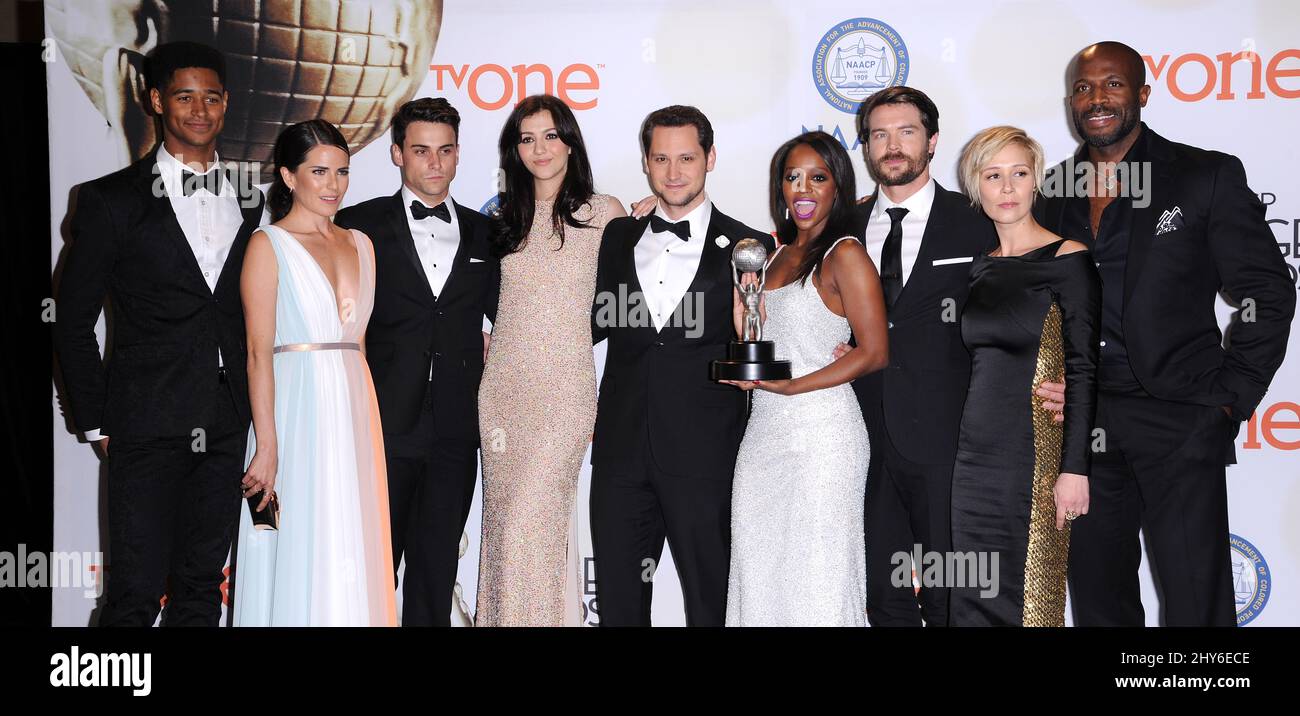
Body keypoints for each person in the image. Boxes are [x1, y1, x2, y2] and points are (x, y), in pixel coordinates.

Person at [1037, 41, 1295, 626]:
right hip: (1085, 429)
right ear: (1070, 102)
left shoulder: (1204, 175)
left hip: (1180, 417)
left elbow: (1267, 293)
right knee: (1099, 600)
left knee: (1195, 600)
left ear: (1143, 95)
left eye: (1112, 85)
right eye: (1083, 88)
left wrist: (1231, 397)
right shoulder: (1051, 191)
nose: (1096, 98)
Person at [53, 41, 265, 627]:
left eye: (212, 97)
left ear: (226, 104)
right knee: (134, 594)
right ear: (155, 100)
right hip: (142, 423)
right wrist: (96, 422)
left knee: (202, 588)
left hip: (224, 424)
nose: (199, 110)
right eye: (184, 96)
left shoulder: (252, 199)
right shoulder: (109, 199)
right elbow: (71, 321)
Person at [844, 87, 1057, 627]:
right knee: (879, 593)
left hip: (950, 441)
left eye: (907, 132)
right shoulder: (839, 226)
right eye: (879, 135)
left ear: (932, 139)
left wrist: (1064, 374)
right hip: (856, 438)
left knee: (949, 594)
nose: (893, 146)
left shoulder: (978, 218)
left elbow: (1045, 297)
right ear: (865, 147)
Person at [589, 105, 773, 627]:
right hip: (622, 455)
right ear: (646, 163)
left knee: (710, 603)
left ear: (710, 159)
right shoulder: (618, 236)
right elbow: (590, 322)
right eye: (661, 158)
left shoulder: (750, 246)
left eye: (687, 157)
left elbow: (759, 348)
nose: (673, 172)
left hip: (706, 456)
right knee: (620, 608)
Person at [335, 98, 499, 627]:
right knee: (372, 571)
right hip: (380, 427)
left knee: (434, 577)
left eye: (446, 151)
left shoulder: (488, 234)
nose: (435, 163)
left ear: (458, 155)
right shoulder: (356, 226)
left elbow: (514, 322)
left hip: (456, 430)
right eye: (422, 150)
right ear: (397, 154)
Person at [233, 119, 396, 626]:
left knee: (353, 529)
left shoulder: (362, 244)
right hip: (295, 407)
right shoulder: (268, 244)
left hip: (354, 403)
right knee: (304, 531)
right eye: (319, 171)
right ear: (287, 176)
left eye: (342, 172)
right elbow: (258, 352)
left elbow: (361, 346)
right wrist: (268, 443)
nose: (333, 185)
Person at [721, 131, 888, 626]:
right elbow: (771, 348)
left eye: (818, 177)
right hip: (765, 433)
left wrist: (796, 384)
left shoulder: (846, 253)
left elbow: (876, 351)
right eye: (792, 177)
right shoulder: (770, 256)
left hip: (824, 437)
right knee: (759, 570)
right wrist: (745, 339)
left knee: (819, 576)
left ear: (838, 186)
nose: (803, 189)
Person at [476, 94, 625, 627]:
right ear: (514, 149)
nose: (540, 148)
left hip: (564, 388)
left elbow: (624, 302)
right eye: (527, 138)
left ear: (570, 141)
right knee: (502, 527)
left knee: (530, 525)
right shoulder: (501, 218)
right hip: (501, 391)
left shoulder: (604, 212)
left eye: (551, 135)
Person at [949, 126, 1100, 627]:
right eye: (994, 176)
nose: (1008, 188)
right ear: (977, 187)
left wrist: (1075, 469)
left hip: (1034, 458)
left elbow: (1083, 367)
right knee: (972, 595)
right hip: (972, 461)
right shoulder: (979, 268)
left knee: (1029, 602)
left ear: (1036, 182)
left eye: (1019, 173)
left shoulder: (1068, 259)